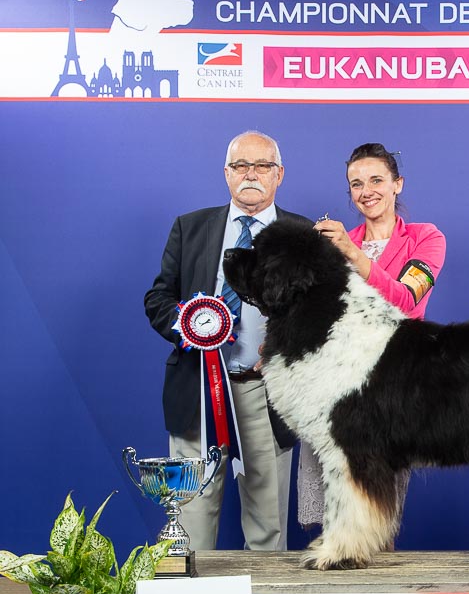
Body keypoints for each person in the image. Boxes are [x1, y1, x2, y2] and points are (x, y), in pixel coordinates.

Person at [144, 130, 311, 551]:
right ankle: (191, 591)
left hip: (267, 392)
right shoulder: (190, 227)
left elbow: (318, 314)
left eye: (262, 166)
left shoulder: (302, 234)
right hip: (197, 389)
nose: (250, 174)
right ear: (226, 173)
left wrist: (283, 347)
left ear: (279, 174)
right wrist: (191, 328)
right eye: (240, 165)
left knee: (268, 528)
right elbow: (158, 298)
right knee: (191, 526)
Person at [299, 142, 446, 528]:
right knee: (332, 515)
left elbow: (406, 301)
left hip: (390, 384)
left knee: (377, 509)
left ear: (398, 184)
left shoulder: (426, 238)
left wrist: (352, 253)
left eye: (377, 180)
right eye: (356, 184)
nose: (367, 191)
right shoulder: (333, 245)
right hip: (334, 387)